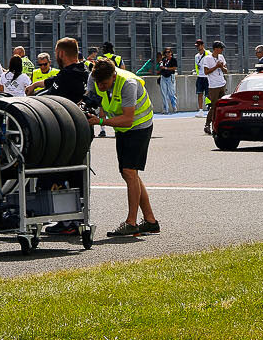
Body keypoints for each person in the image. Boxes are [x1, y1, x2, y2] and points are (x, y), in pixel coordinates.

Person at [90, 57, 160, 239]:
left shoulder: (128, 84)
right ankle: (150, 221)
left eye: (104, 83)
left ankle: (131, 223)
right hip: (121, 128)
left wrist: (100, 121)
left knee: (129, 172)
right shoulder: (95, 78)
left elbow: (128, 119)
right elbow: (93, 99)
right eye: (98, 83)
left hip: (139, 125)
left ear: (113, 76)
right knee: (129, 173)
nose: (100, 86)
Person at [32, 37, 89, 104]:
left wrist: (32, 98)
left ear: (61, 53)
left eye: (56, 53)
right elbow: (53, 80)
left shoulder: (67, 75)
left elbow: (48, 96)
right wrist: (35, 85)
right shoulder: (83, 70)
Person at [200, 42, 229, 127]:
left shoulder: (221, 57)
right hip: (213, 86)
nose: (222, 50)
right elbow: (206, 72)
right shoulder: (207, 58)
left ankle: (220, 123)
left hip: (222, 84)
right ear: (216, 48)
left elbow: (226, 71)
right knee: (214, 106)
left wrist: (222, 67)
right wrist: (216, 66)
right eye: (221, 48)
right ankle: (207, 124)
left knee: (223, 105)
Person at [156, 49, 179, 113]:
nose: (167, 53)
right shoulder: (164, 60)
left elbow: (174, 68)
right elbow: (161, 67)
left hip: (170, 77)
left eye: (169, 52)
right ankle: (165, 108)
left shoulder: (173, 60)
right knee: (164, 93)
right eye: (166, 52)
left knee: (171, 93)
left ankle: (174, 106)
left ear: (171, 53)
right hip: (163, 77)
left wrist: (165, 68)